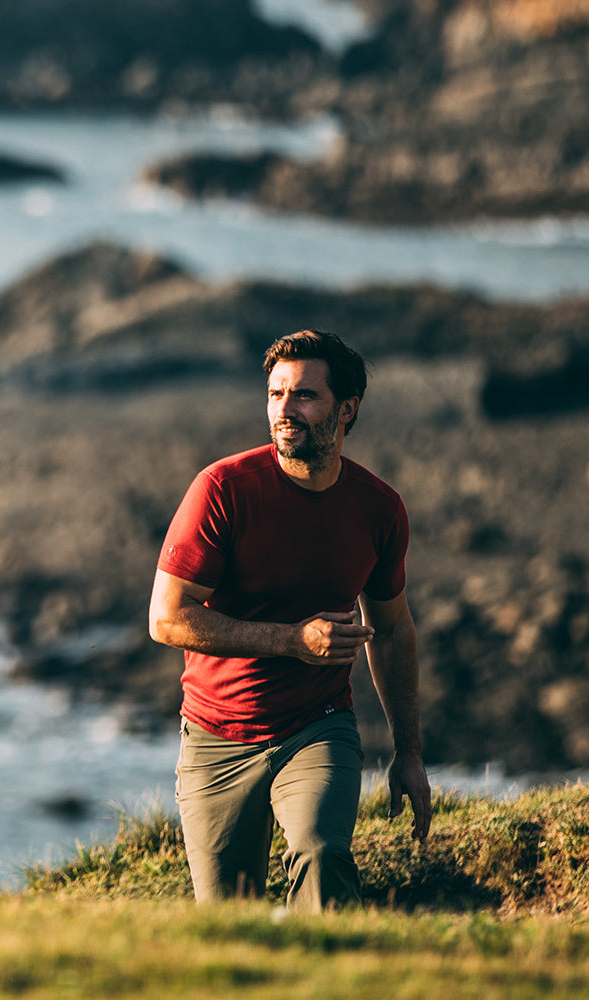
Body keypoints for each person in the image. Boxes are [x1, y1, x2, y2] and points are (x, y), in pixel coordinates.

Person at [148, 329, 431, 912]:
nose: (285, 409)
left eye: (304, 396)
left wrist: (409, 753)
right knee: (230, 917)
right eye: (276, 394)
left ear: (346, 409)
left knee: (323, 856)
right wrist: (292, 641)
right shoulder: (223, 489)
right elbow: (166, 618)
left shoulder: (378, 509)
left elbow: (394, 629)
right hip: (215, 734)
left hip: (318, 725)